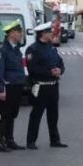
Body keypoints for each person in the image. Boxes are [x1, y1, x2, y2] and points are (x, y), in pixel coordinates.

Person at [26, 22, 68, 150]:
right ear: (43, 34)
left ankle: (55, 140)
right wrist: (49, 72)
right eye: (50, 32)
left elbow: (60, 62)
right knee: (36, 114)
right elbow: (32, 68)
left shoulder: (51, 47)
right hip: (40, 86)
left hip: (53, 86)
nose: (52, 34)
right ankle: (31, 141)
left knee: (53, 115)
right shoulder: (33, 49)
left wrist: (60, 70)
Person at [0, 20, 27, 152]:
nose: (21, 34)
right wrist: (1, 89)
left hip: (16, 86)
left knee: (12, 114)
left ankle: (10, 140)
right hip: (7, 87)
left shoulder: (16, 49)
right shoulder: (1, 50)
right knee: (3, 115)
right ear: (11, 33)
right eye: (19, 32)